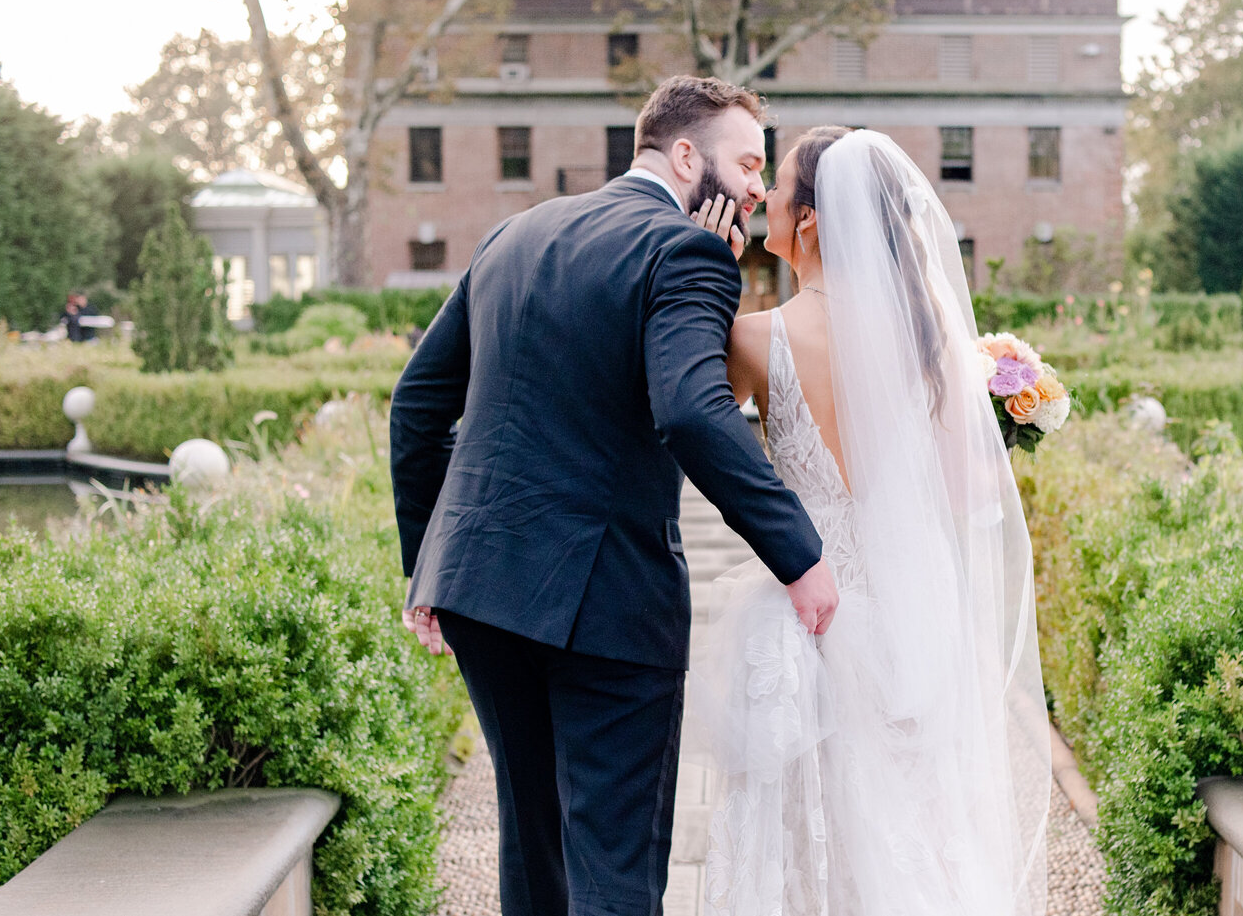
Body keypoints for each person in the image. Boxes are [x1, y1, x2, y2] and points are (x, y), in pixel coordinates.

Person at [389, 75, 839, 916]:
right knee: (615, 866)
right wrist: (798, 553)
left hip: (482, 590)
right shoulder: (688, 251)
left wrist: (429, 564)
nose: (753, 185)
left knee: (536, 844)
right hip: (608, 598)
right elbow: (692, 412)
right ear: (682, 153)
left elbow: (416, 404)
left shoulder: (513, 234)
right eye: (746, 163)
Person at [688, 128, 1050, 916]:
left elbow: (696, 433)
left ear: (810, 221)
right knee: (909, 820)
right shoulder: (930, 347)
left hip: (802, 616)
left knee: (801, 831)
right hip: (902, 617)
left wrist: (703, 265)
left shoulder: (754, 337)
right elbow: (966, 495)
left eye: (777, 190)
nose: (763, 202)